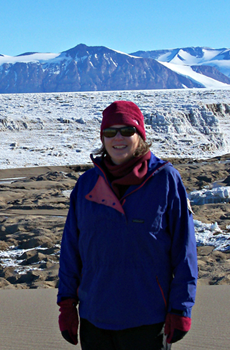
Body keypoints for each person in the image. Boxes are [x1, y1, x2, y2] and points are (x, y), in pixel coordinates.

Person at [56, 101, 198, 349]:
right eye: (110, 132)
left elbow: (184, 251)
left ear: (140, 135)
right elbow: (71, 250)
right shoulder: (87, 184)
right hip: (95, 319)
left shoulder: (165, 180)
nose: (117, 138)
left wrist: (181, 309)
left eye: (127, 131)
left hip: (148, 320)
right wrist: (67, 305)